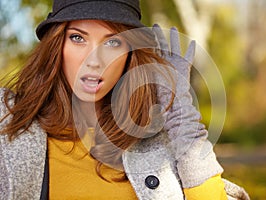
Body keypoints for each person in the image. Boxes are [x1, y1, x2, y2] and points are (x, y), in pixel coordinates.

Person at [0, 0, 250, 199]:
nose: (94, 60)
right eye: (78, 37)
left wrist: (181, 113)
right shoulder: (9, 125)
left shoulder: (158, 136)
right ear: (57, 44)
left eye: (112, 42)